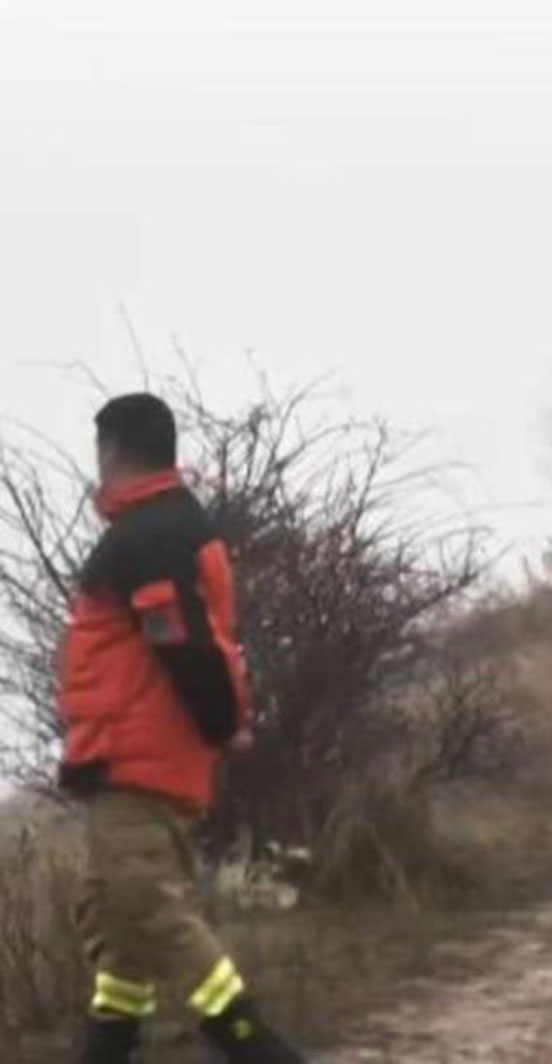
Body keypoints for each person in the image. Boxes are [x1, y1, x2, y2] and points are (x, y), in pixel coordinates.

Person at [59, 393, 302, 1063]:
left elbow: (181, 640)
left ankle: (257, 1046)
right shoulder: (162, 529)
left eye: (99, 453)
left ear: (112, 451)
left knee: (149, 907)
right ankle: (106, 1050)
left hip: (138, 761)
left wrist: (221, 721)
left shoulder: (149, 537)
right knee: (111, 911)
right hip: (131, 760)